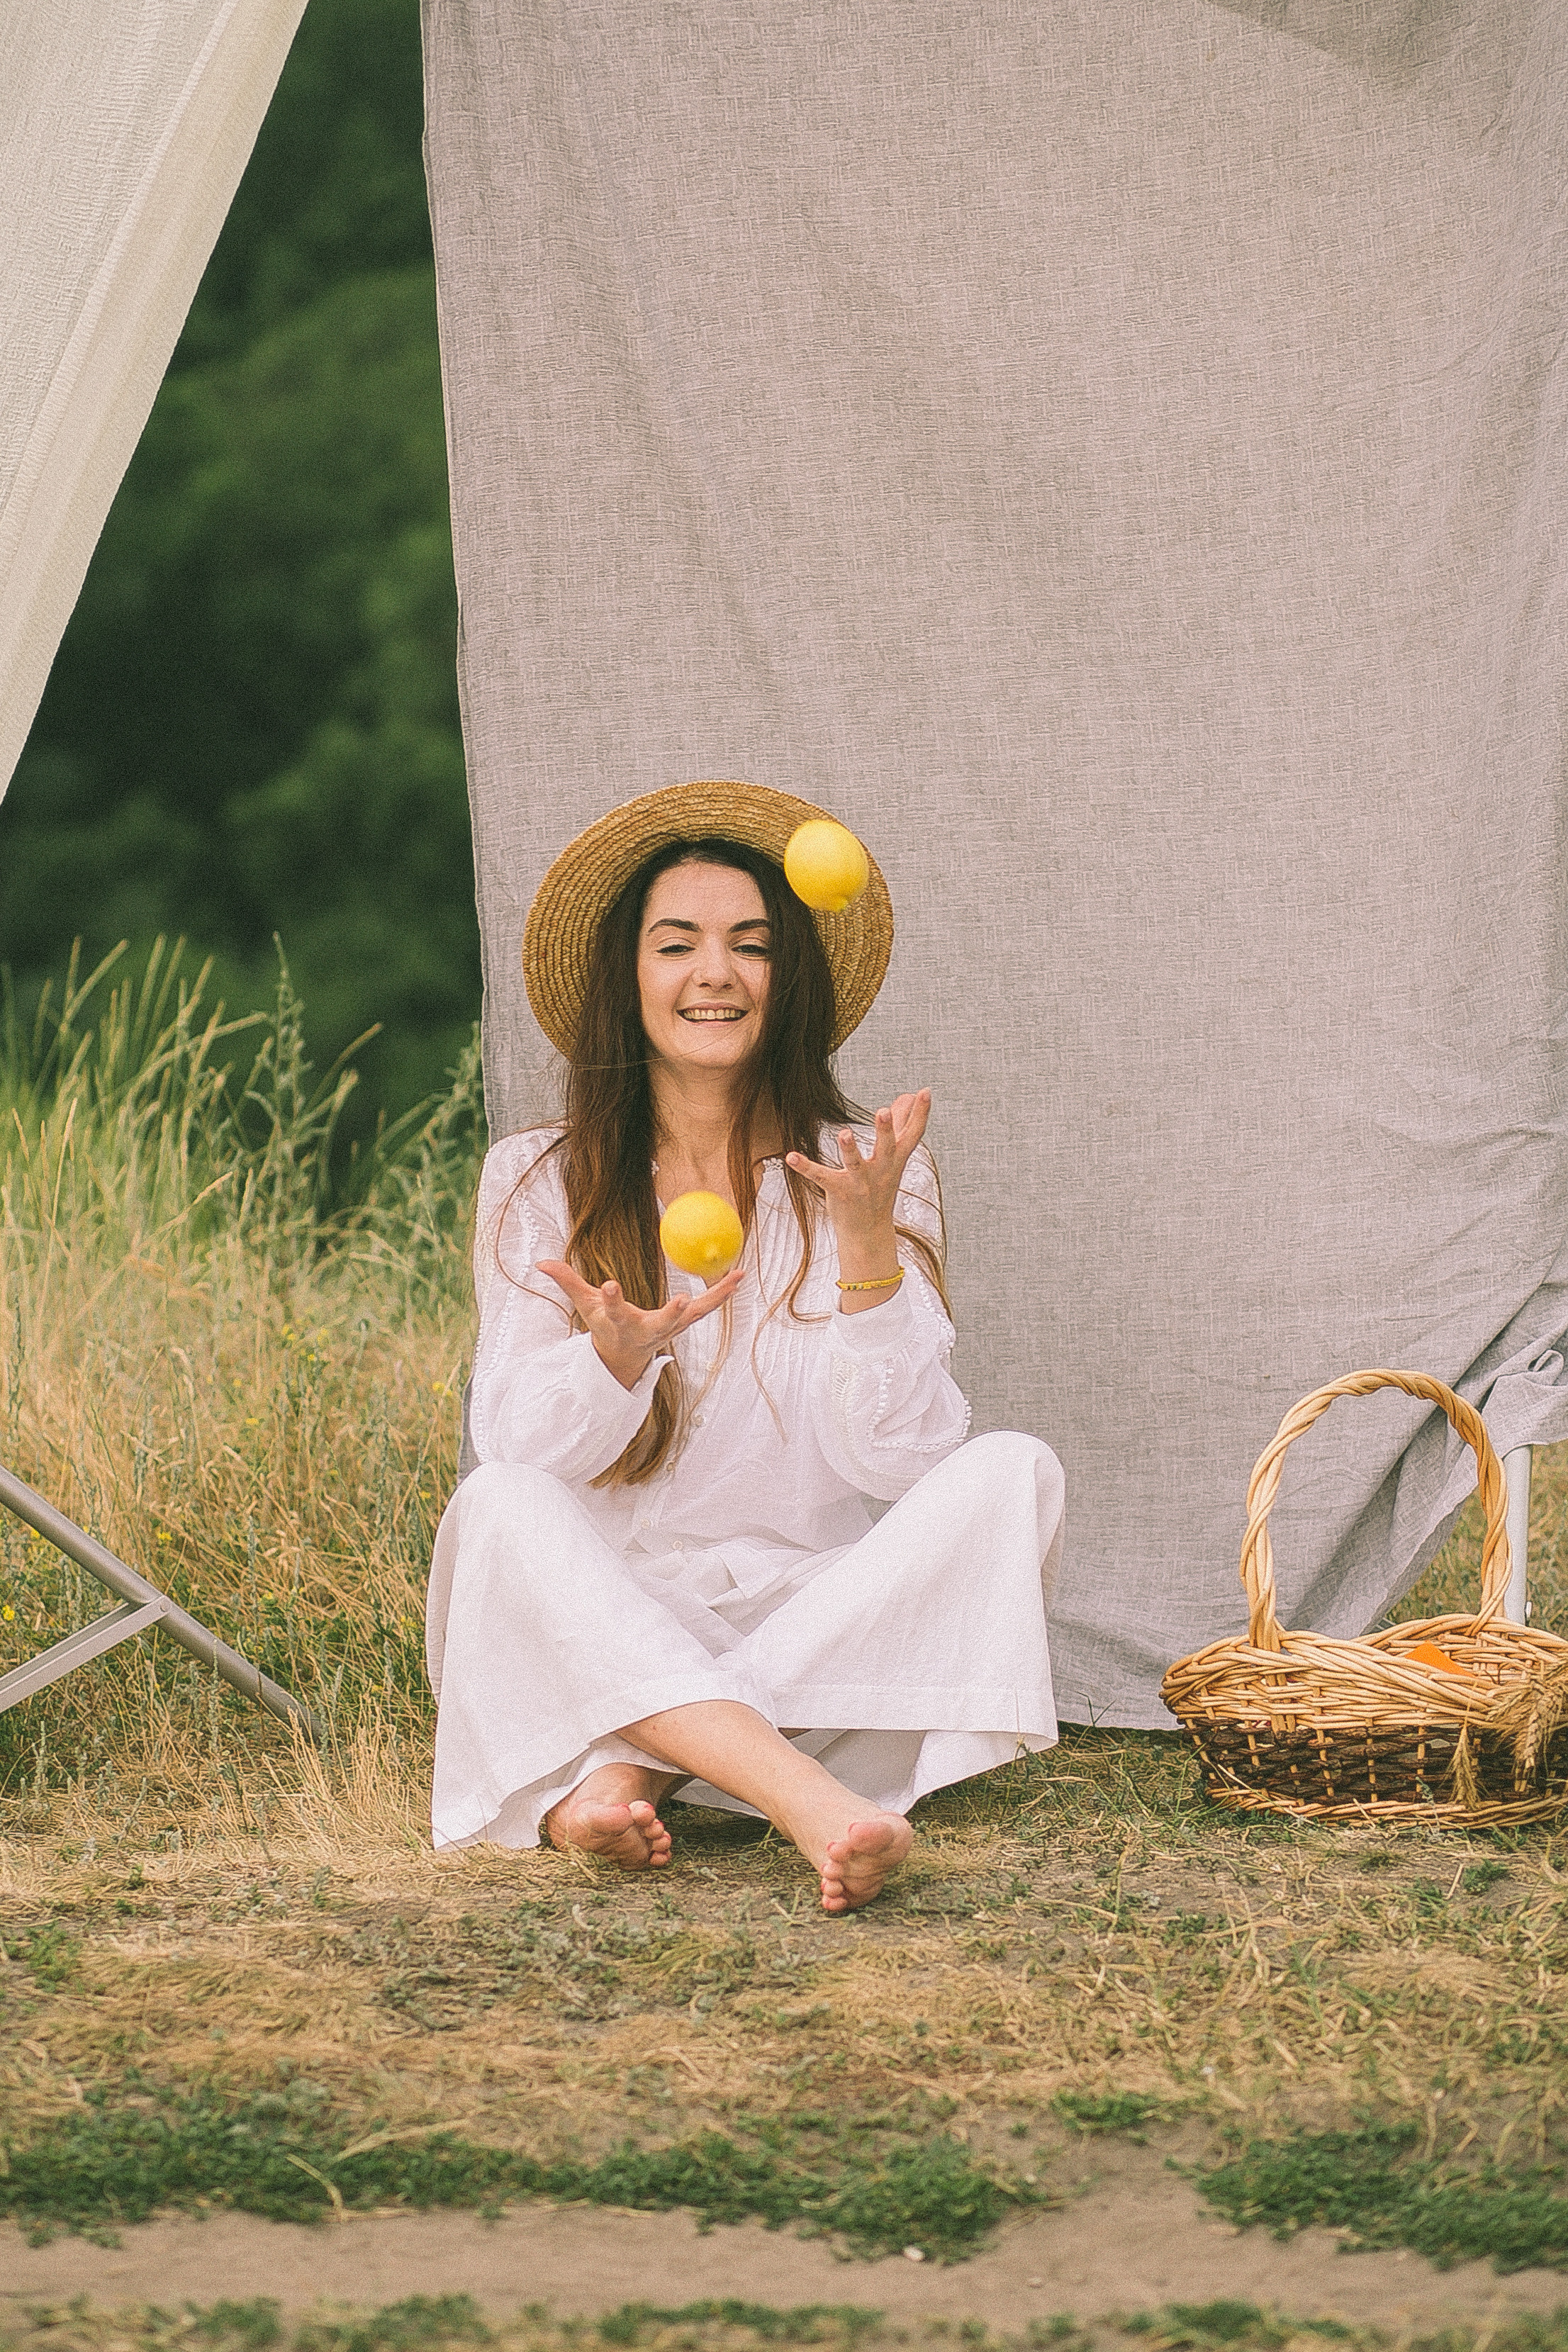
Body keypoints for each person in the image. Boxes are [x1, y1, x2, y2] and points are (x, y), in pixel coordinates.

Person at [425, 780, 1064, 1913]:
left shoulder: (864, 1165)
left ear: (789, 980)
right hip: (609, 1604)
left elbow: (908, 1463)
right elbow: (518, 1444)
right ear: (631, 978)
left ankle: (636, 1762)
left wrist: (867, 1246)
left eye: (751, 945)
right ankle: (799, 1791)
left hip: (809, 1610)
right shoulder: (535, 1177)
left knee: (1016, 1472)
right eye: (677, 945)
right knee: (498, 1509)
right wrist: (612, 1360)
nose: (715, 973)